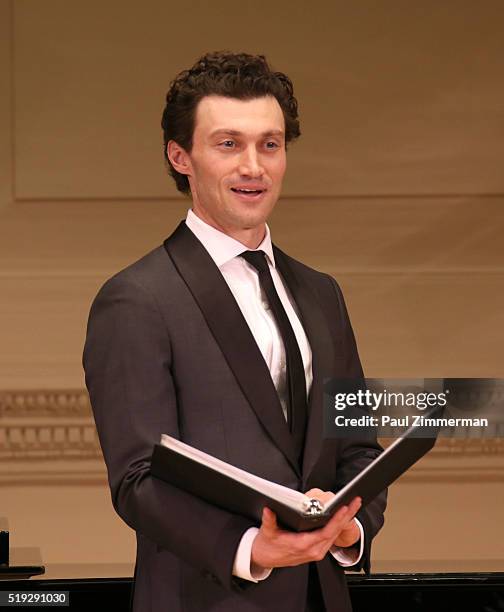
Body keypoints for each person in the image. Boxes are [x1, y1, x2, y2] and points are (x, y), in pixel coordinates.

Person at [83, 51, 387, 612]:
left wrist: (350, 525)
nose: (254, 166)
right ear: (181, 157)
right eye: (229, 144)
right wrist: (252, 547)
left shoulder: (323, 293)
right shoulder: (135, 299)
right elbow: (137, 479)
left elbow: (359, 447)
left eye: (269, 145)